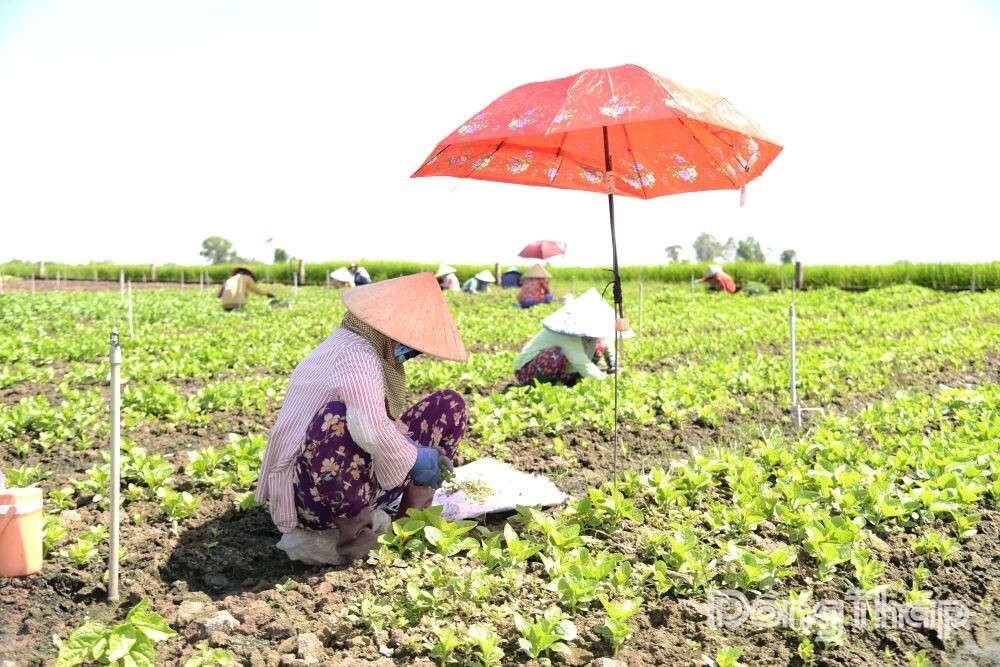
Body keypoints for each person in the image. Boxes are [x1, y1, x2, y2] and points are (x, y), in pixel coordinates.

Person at [255, 273, 469, 559]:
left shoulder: (367, 350)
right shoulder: (355, 354)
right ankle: (355, 535)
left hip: (348, 484)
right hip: (313, 498)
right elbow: (368, 427)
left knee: (447, 406)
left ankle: (412, 518)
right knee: (338, 420)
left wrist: (411, 449)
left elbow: (379, 426)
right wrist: (417, 457)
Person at [513, 288, 630, 387]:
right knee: (555, 356)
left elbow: (605, 340)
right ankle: (541, 387)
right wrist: (606, 383)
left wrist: (612, 360)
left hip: (563, 369)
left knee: (600, 342)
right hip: (526, 372)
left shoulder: (587, 330)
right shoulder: (566, 332)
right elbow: (581, 362)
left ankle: (567, 381)